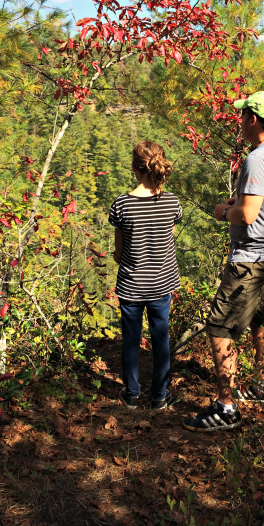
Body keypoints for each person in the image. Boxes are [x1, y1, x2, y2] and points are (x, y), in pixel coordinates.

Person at [183, 91, 264, 432]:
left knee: (220, 328)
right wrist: (256, 202)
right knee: (260, 318)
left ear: (253, 119)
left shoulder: (258, 159)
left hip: (249, 259)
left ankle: (227, 408)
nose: (240, 121)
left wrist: (225, 211)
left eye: (243, 115)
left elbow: (246, 216)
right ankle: (262, 384)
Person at [109, 140, 183, 410]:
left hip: (131, 285)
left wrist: (126, 257)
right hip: (162, 283)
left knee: (131, 339)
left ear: (133, 168)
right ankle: (160, 396)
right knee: (160, 338)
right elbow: (168, 238)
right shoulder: (172, 202)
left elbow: (119, 251)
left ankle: (131, 393)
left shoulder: (121, 205)